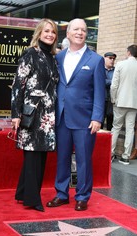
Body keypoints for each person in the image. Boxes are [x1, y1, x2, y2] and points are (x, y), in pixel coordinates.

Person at [46, 18, 105, 211]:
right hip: (61, 117)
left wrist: (97, 117)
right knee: (61, 157)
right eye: (76, 29)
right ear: (68, 33)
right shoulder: (59, 58)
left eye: (84, 30)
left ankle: (82, 196)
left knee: (84, 159)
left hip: (85, 119)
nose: (80, 32)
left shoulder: (96, 60)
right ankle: (61, 193)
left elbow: (100, 92)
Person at [11, 18, 59, 212]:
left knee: (39, 156)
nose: (50, 34)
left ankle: (22, 192)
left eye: (53, 32)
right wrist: (16, 114)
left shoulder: (52, 58)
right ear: (39, 33)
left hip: (47, 116)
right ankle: (32, 199)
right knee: (32, 156)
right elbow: (17, 85)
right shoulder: (30, 54)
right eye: (46, 31)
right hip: (31, 114)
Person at [110, 45, 137, 164]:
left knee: (116, 127)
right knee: (130, 129)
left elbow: (114, 85)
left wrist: (113, 98)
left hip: (120, 101)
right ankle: (125, 156)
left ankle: (110, 153)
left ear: (128, 52)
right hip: (134, 103)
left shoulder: (120, 65)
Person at [102, 52, 117, 131]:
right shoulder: (100, 69)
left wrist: (106, 81)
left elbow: (117, 83)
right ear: (104, 58)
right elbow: (100, 82)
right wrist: (112, 82)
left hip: (111, 101)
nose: (112, 60)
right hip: (101, 100)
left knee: (110, 125)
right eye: (110, 58)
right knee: (99, 123)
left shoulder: (116, 71)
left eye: (113, 59)